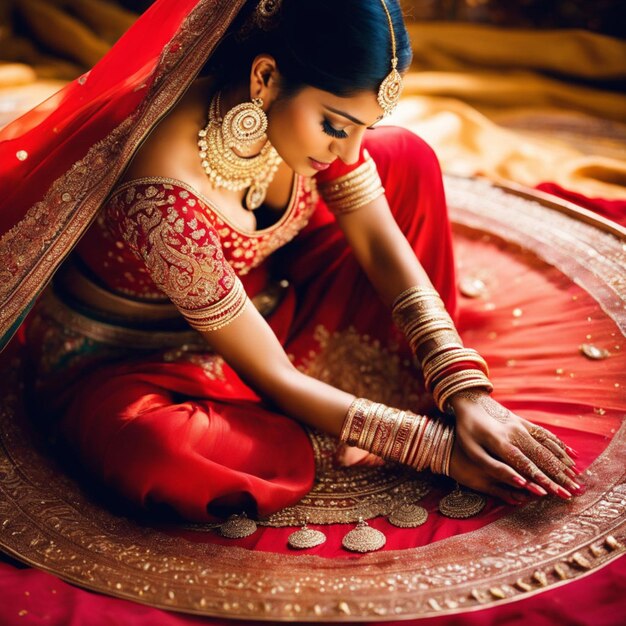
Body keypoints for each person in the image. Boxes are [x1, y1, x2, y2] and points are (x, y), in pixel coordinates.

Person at [0, 0, 581, 525]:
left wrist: (465, 393)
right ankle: (326, 428)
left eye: (359, 129)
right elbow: (272, 375)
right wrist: (434, 448)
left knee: (405, 156)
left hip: (265, 305)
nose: (347, 151)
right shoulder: (160, 195)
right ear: (266, 77)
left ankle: (338, 413)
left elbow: (380, 243)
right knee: (164, 452)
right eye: (335, 126)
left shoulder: (299, 119)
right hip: (133, 361)